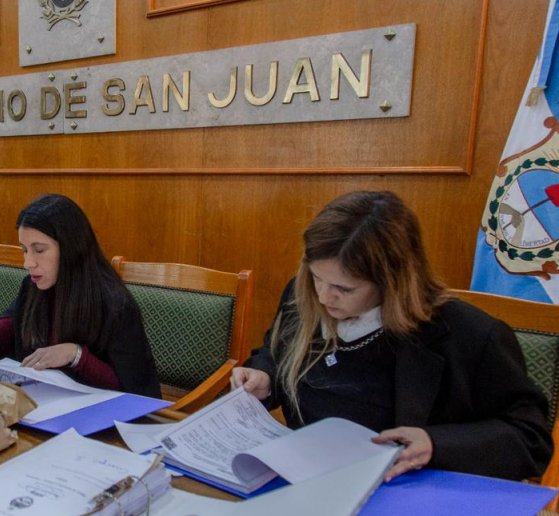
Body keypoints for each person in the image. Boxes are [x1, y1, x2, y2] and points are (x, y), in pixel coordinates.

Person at [233, 191, 552, 482]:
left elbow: (529, 439)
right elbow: (275, 353)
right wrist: (266, 377)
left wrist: (434, 444)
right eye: (316, 278)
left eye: (345, 288)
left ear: (392, 281)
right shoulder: (302, 295)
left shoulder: (471, 335)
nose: (324, 297)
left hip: (404, 493)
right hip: (306, 480)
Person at [0, 194, 161, 398]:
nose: (28, 263)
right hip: (43, 406)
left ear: (71, 248)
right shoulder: (33, 286)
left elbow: (131, 388)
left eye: (39, 250)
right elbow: (2, 332)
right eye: (24, 250)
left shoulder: (113, 302)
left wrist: (76, 355)